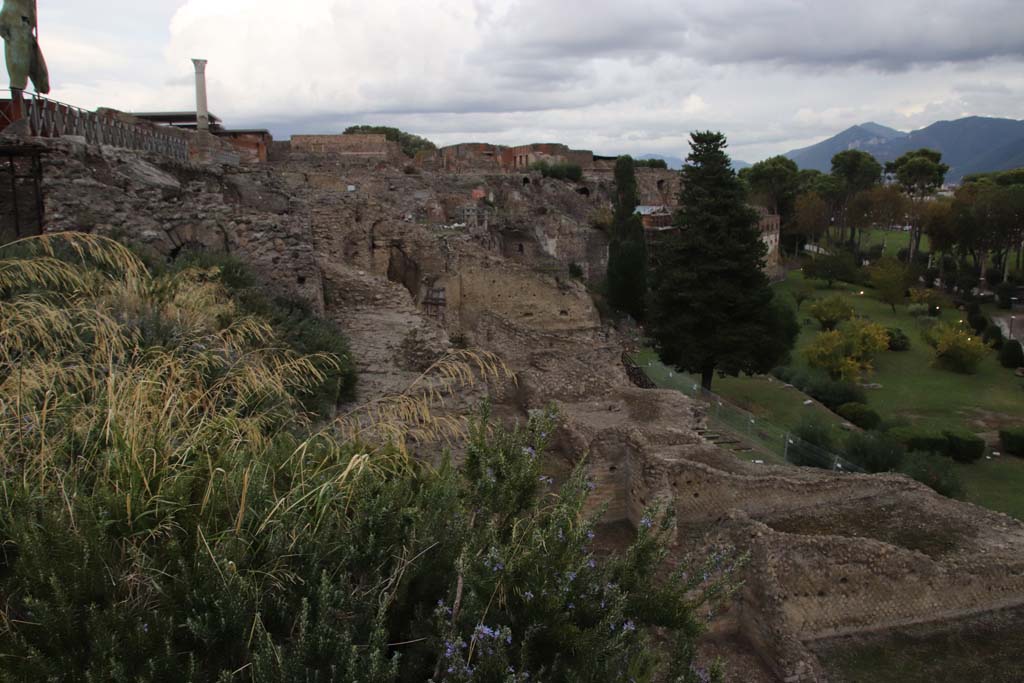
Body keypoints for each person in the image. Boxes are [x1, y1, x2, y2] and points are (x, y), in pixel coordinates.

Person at [0, 0, 50, 98]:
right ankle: (17, 98)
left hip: (26, 26)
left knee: (38, 69)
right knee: (18, 66)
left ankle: (37, 86)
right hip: (16, 23)